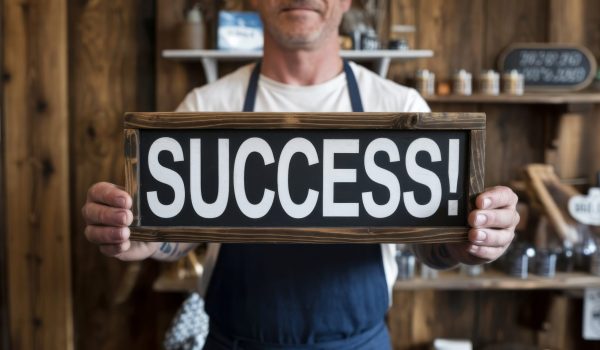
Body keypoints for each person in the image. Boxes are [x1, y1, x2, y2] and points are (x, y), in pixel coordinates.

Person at [82, 0, 519, 348]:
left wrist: (470, 241)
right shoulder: (205, 106)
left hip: (358, 344)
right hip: (236, 342)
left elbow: (433, 245)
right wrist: (139, 236)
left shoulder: (399, 108)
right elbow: (175, 234)